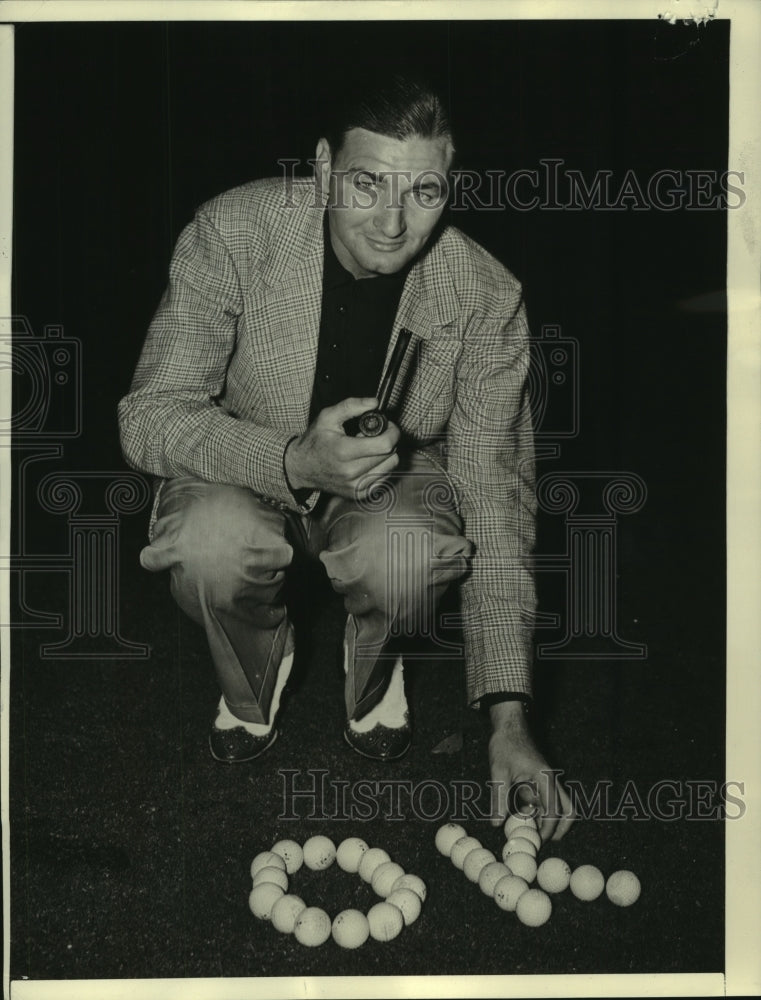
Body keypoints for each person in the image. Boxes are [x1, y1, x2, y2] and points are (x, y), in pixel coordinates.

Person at [118, 75, 574, 841]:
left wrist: (508, 716)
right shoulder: (232, 231)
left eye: (424, 191)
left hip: (387, 488)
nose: (393, 223)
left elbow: (497, 501)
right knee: (209, 547)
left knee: (413, 555)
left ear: (449, 183)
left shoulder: (486, 294)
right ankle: (252, 679)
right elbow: (149, 417)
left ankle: (376, 667)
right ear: (325, 166)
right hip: (244, 460)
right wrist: (294, 460)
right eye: (368, 184)